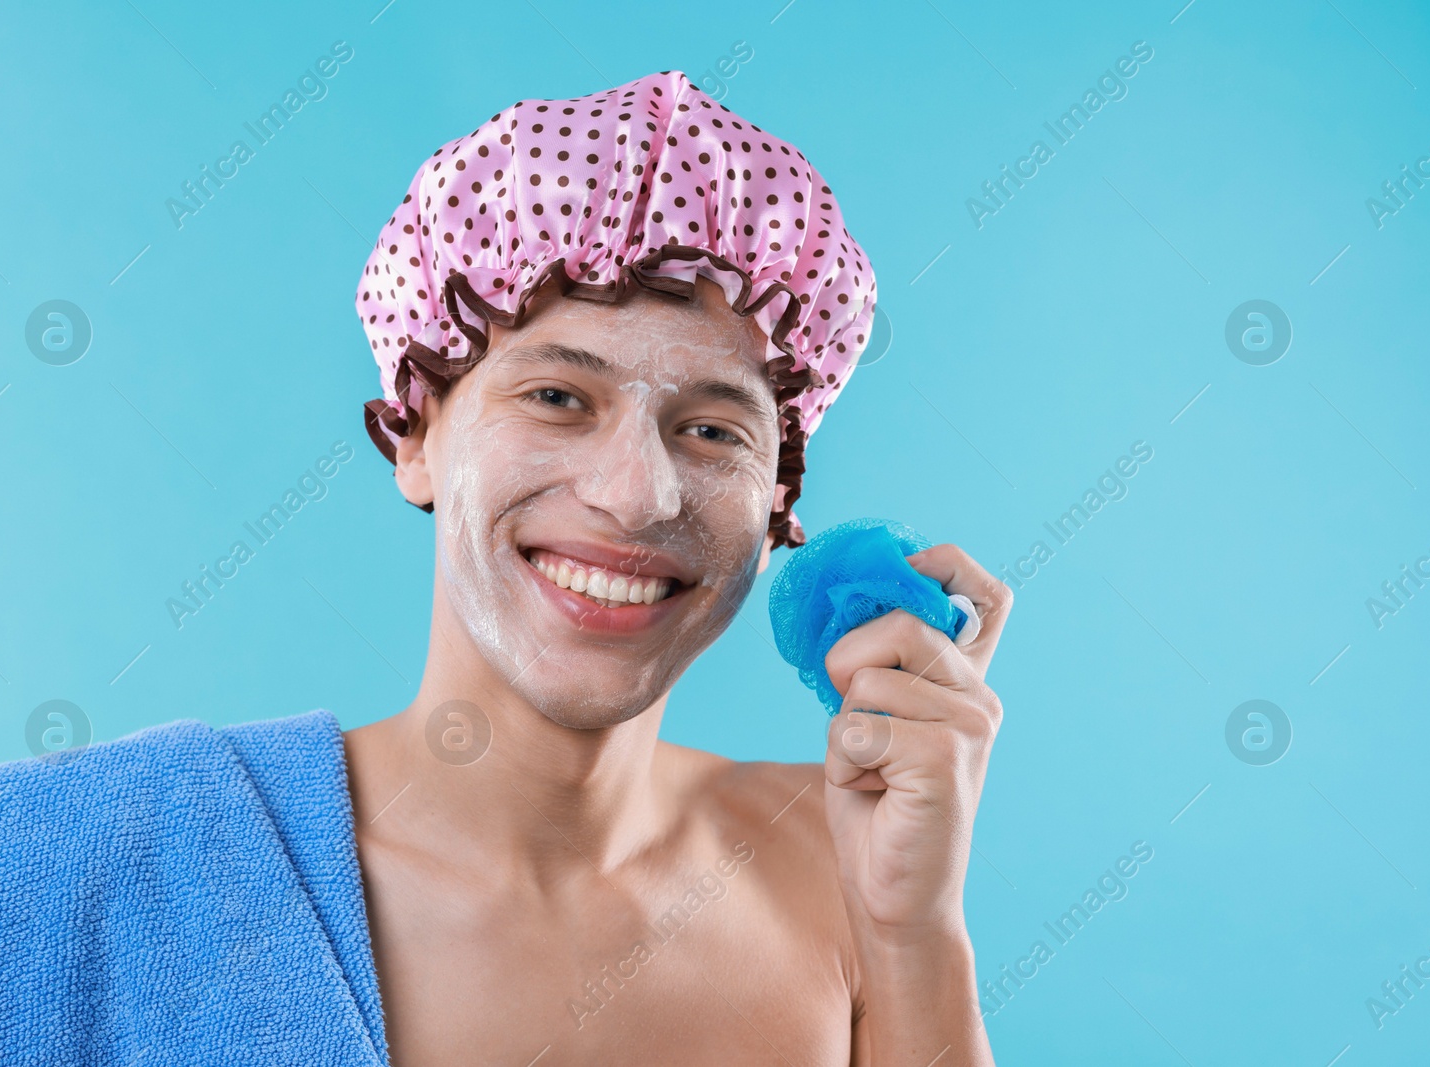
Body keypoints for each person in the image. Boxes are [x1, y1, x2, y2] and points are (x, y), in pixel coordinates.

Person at [344, 70, 1013, 1064]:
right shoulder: (131, 871)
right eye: (558, 397)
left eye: (709, 428)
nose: (639, 494)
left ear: (777, 493)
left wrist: (911, 935)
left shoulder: (841, 870)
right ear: (415, 435)